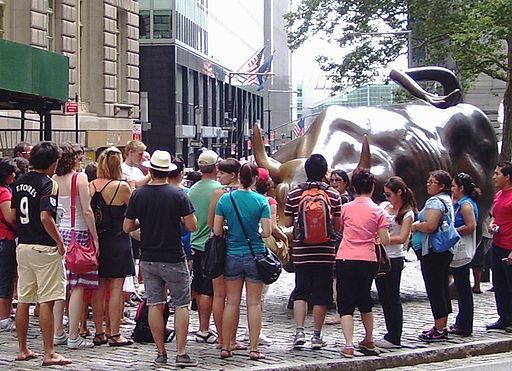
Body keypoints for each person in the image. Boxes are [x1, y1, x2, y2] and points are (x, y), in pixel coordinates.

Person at [124, 150, 198, 367]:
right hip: (174, 256)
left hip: (148, 257)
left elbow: (127, 226)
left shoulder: (139, 195)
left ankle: (160, 352)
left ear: (151, 170)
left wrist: (143, 222)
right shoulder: (178, 195)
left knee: (155, 304)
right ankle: (181, 352)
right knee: (181, 304)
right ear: (169, 171)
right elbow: (192, 225)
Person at [11, 141, 72, 366]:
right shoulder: (49, 184)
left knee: (25, 299)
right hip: (44, 247)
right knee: (47, 300)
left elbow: (13, 212)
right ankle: (49, 352)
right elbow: (47, 216)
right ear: (52, 163)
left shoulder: (19, 182)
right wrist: (60, 241)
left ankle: (22, 348)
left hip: (24, 245)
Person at [213, 163, 271, 360]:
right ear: (255, 179)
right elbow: (267, 232)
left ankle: (226, 345)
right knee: (254, 304)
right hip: (255, 254)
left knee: (232, 303)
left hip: (232, 254)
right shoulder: (261, 200)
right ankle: (254, 348)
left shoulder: (225, 199)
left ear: (238, 177)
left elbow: (217, 230)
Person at [284, 154, 341, 350]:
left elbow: (288, 223)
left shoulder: (294, 194)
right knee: (321, 295)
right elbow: (337, 225)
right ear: (326, 172)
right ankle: (316, 335)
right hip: (325, 252)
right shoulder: (333, 194)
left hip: (301, 251)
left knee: (300, 291)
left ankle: (299, 331)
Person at [335, 168, 390, 358]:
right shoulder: (378, 210)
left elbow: (338, 227)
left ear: (353, 188)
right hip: (368, 259)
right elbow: (385, 239)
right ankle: (369, 339)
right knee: (365, 299)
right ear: (372, 187)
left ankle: (349, 344)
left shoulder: (346, 208)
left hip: (345, 257)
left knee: (345, 302)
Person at [52, 144, 100, 348]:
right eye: (80, 158)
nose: (82, 162)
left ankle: (57, 332)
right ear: (73, 159)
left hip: (59, 233)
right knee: (78, 286)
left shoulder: (54, 179)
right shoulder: (79, 178)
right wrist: (95, 237)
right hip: (77, 233)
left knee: (59, 287)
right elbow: (87, 211)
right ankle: (73, 335)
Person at [89, 146, 134, 347]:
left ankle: (98, 331)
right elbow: (134, 213)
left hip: (98, 240)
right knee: (116, 288)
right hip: (118, 240)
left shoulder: (91, 186)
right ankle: (114, 332)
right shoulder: (122, 187)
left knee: (98, 287)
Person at [411, 170, 455, 342]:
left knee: (435, 288)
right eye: (428, 181)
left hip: (433, 252)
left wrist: (415, 226)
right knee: (441, 286)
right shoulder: (446, 200)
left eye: (432, 182)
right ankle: (440, 324)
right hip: (442, 252)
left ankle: (439, 327)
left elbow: (430, 225)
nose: (428, 184)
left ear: (441, 186)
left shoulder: (436, 202)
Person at [376, 176, 417, 348]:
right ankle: (389, 332)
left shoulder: (407, 213)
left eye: (389, 194)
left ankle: (395, 335)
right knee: (383, 297)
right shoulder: (384, 207)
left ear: (399, 192)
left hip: (394, 257)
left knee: (392, 297)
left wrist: (384, 239)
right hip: (380, 256)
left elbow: (402, 237)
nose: (387, 198)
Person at [208, 157, 244, 349]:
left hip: (219, 247)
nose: (219, 176)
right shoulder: (247, 193)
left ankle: (222, 338)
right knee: (234, 299)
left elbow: (210, 224)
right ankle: (232, 339)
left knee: (219, 295)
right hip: (238, 247)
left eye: (222, 173)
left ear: (233, 175)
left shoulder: (218, 194)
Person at [188, 150, 222, 345]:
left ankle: (203, 327)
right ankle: (209, 329)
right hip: (212, 245)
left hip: (196, 243)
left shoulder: (193, 190)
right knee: (212, 291)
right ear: (216, 167)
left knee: (200, 288)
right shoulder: (219, 190)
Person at [448, 172, 479, 336]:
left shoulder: (465, 205)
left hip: (462, 248)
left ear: (461, 188)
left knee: (463, 287)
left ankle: (465, 323)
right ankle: (462, 320)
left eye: (454, 186)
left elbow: (471, 226)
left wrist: (452, 231)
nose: (452, 189)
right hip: (459, 247)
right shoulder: (460, 202)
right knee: (462, 287)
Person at [486, 162, 512, 332]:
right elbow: (494, 216)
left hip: (509, 246)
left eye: (497, 173)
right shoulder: (498, 195)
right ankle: (504, 316)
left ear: (507, 176)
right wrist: (492, 224)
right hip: (497, 243)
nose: (494, 176)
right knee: (500, 282)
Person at [0, 158, 17, 332]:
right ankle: (4, 317)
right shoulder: (4, 192)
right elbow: (9, 217)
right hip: (4, 238)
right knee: (5, 279)